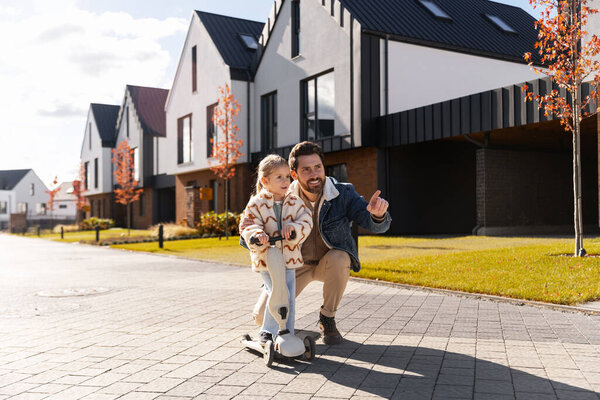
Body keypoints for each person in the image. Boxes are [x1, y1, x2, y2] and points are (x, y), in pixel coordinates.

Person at [241, 142, 391, 345]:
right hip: (294, 265)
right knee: (261, 317)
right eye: (306, 169)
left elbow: (373, 223)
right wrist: (251, 234)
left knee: (341, 257)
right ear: (294, 174)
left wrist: (379, 215)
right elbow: (250, 232)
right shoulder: (282, 197)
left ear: (324, 168)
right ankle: (288, 329)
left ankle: (327, 318)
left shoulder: (342, 193)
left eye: (318, 167)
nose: (314, 174)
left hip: (327, 264)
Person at [240, 154, 313, 344]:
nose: (285, 181)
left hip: (288, 258)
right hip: (267, 258)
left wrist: (294, 229)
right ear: (265, 181)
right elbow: (247, 225)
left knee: (288, 296)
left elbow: (306, 220)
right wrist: (257, 235)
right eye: (279, 177)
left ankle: (286, 332)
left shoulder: (295, 202)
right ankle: (267, 331)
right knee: (277, 292)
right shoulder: (256, 203)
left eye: (287, 176)